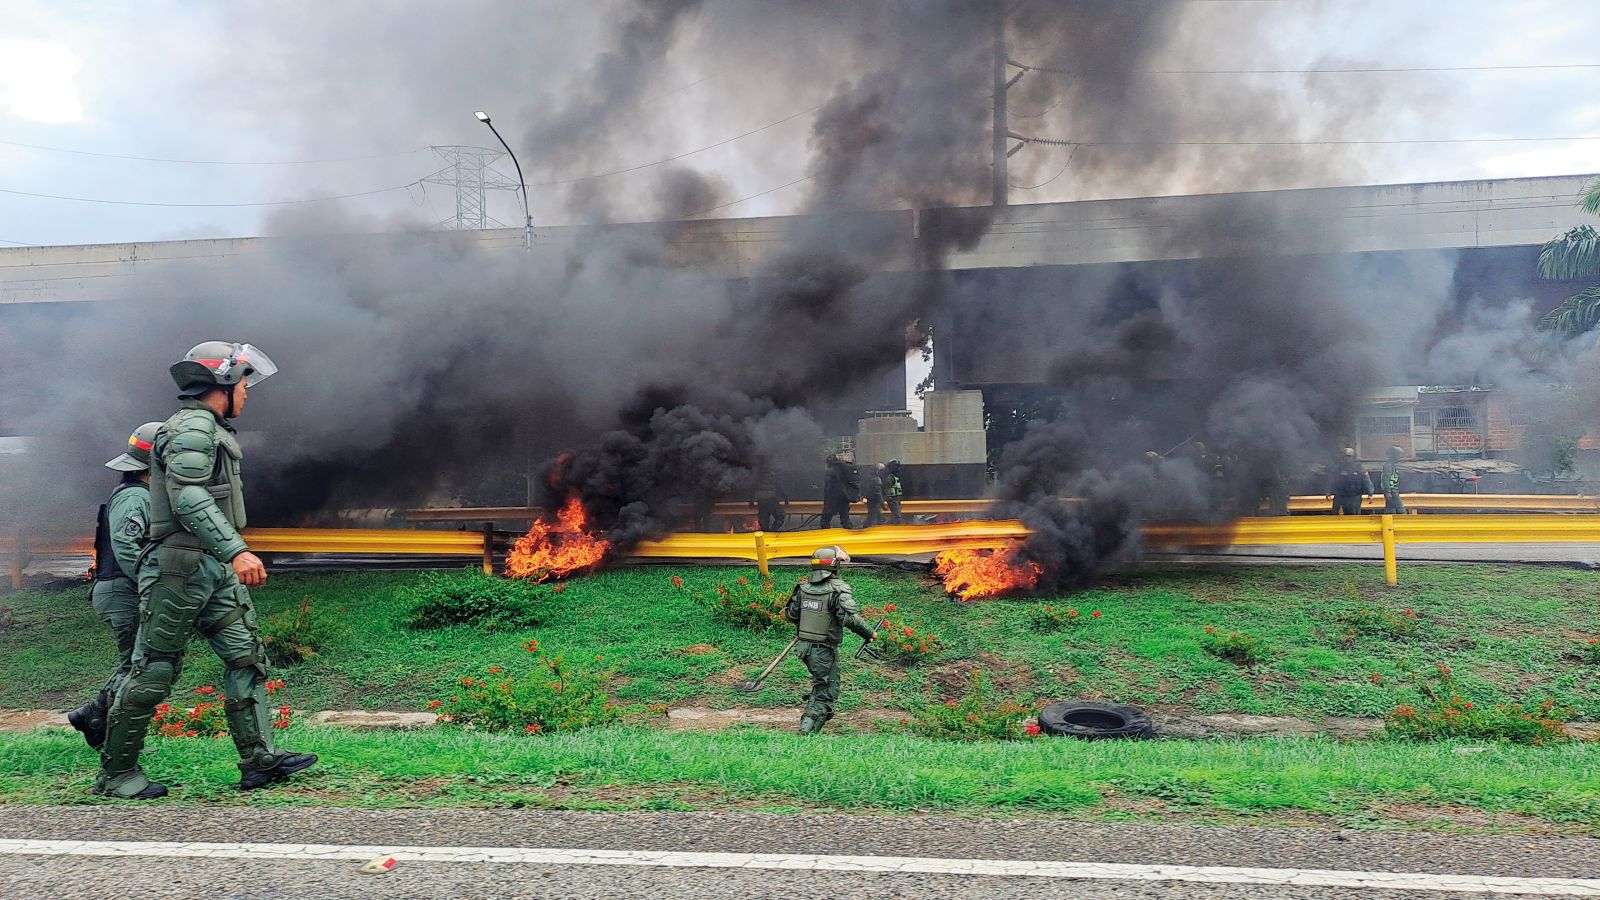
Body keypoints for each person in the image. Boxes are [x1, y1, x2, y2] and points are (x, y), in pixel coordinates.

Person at [97, 341, 316, 800]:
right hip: (179, 567)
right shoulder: (193, 428)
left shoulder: (208, 428)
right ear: (224, 381)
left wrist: (226, 556)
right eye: (244, 383)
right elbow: (189, 497)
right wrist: (237, 550)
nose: (248, 393)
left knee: (246, 657)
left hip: (210, 566)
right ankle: (118, 774)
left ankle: (258, 760)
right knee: (154, 671)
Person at [67, 422, 162, 750]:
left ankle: (97, 720)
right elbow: (126, 544)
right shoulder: (136, 496)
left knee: (137, 664)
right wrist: (151, 583)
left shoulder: (140, 493)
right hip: (123, 591)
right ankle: (99, 720)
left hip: (122, 590)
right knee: (140, 666)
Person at [783, 546, 875, 735]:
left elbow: (791, 615)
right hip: (823, 650)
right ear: (835, 565)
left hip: (805, 648)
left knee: (821, 686)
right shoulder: (838, 589)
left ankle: (809, 724)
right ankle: (806, 733)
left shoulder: (803, 589)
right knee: (826, 691)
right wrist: (869, 633)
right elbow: (849, 618)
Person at [1327, 447, 1374, 516]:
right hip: (1340, 495)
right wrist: (1328, 492)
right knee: (1335, 514)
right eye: (1345, 457)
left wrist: (1370, 493)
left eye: (1349, 457)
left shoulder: (1359, 467)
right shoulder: (1338, 468)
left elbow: (1366, 480)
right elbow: (1331, 480)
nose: (1347, 459)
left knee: (1354, 515)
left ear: (1353, 457)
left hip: (1354, 496)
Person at [820, 454, 859, 530]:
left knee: (826, 519)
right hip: (844, 497)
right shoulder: (844, 467)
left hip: (834, 497)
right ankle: (849, 535)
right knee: (845, 518)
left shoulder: (831, 470)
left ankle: (825, 535)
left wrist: (827, 501)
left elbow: (828, 487)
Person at [749, 467, 787, 532]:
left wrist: (751, 501)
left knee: (764, 523)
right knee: (780, 518)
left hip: (762, 503)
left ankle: (767, 534)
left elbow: (752, 491)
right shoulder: (773, 480)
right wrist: (786, 499)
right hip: (772, 502)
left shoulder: (757, 481)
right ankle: (770, 533)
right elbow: (780, 490)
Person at [1382, 445, 1406, 515]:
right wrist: (1388, 491)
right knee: (1401, 510)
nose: (1400, 457)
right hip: (1392, 491)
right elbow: (1385, 479)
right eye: (1399, 455)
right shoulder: (1388, 466)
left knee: (1390, 509)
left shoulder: (1393, 466)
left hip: (1394, 490)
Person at [861, 462, 886, 528]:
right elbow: (878, 494)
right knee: (873, 516)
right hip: (874, 501)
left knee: (876, 515)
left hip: (869, 500)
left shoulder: (868, 478)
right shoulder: (877, 480)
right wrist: (883, 505)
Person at [882, 459, 904, 524]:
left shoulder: (894, 477)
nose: (898, 468)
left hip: (896, 499)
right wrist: (889, 498)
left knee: (895, 515)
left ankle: (885, 527)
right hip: (893, 499)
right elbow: (887, 489)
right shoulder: (890, 477)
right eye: (896, 466)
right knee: (897, 516)